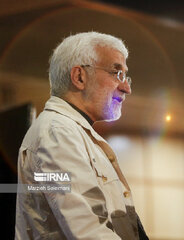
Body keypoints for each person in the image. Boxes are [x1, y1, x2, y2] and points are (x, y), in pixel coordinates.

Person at [15, 32, 148, 240]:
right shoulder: (56, 133)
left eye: (126, 76)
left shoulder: (73, 132)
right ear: (79, 77)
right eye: (117, 73)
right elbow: (88, 230)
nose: (127, 88)